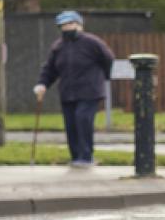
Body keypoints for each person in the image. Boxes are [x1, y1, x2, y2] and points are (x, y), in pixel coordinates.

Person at [35, 10, 115, 170]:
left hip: (89, 91)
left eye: (71, 24)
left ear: (80, 25)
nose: (68, 28)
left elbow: (108, 58)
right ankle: (76, 157)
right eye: (64, 25)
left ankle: (86, 157)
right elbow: (50, 68)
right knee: (71, 124)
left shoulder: (92, 42)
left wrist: (103, 76)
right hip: (67, 92)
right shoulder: (58, 47)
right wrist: (42, 84)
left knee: (82, 119)